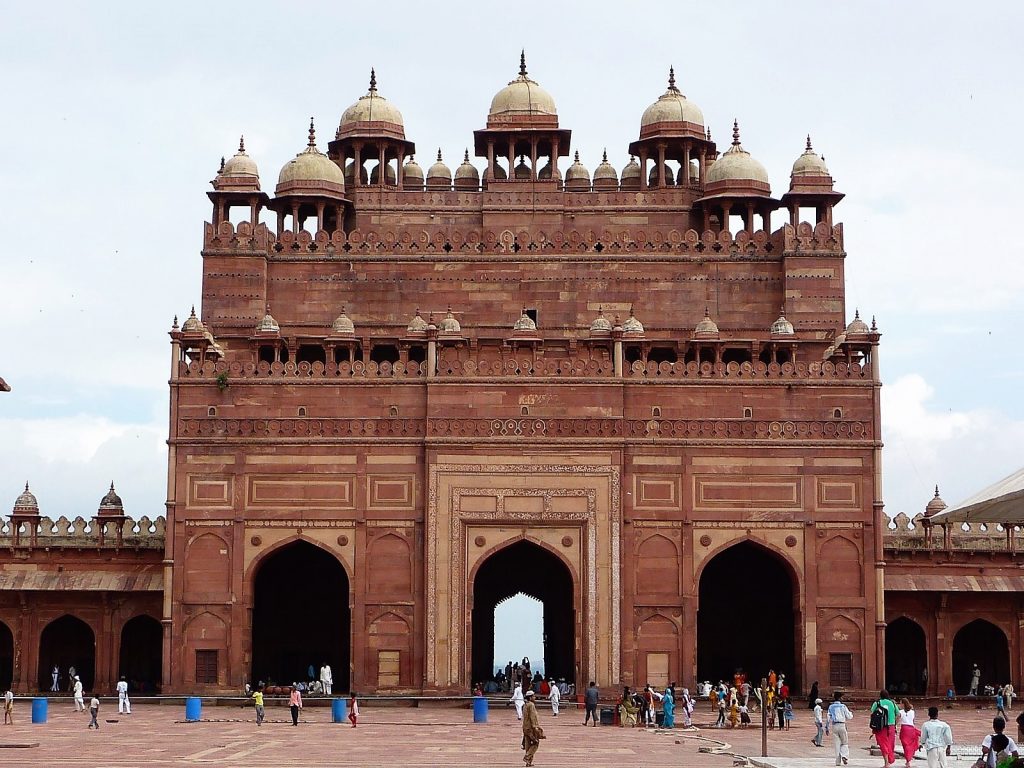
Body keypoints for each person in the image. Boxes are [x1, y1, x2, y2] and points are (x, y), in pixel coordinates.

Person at [870, 689, 898, 768]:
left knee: (883, 744)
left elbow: (872, 714)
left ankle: (887, 762)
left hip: (881, 727)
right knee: (890, 743)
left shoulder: (877, 703)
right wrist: (895, 723)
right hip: (891, 726)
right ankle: (890, 760)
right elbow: (898, 714)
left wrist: (873, 725)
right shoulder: (892, 703)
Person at [828, 691, 854, 766]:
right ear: (840, 698)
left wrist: (826, 727)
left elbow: (828, 717)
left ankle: (838, 761)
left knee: (837, 744)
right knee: (844, 742)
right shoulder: (843, 706)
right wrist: (851, 713)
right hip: (842, 725)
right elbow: (849, 716)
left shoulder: (831, 707)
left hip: (834, 726)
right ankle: (845, 756)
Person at [521, 689, 543, 767]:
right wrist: (535, 727)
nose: (534, 697)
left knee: (528, 745)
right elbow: (532, 717)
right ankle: (527, 757)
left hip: (525, 727)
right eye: (533, 696)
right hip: (531, 728)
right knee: (535, 743)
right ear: (530, 698)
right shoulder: (531, 705)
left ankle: (528, 762)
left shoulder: (524, 705)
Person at [897, 698, 920, 768]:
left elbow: (897, 720)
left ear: (903, 704)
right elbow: (913, 721)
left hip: (904, 729)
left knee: (905, 746)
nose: (900, 705)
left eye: (901, 703)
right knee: (909, 745)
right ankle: (908, 760)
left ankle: (908, 761)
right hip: (911, 729)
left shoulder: (900, 712)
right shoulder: (912, 712)